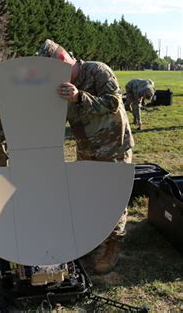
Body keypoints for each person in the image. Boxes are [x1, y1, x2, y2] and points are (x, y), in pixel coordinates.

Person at [38, 39, 134, 274]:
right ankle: (94, 240)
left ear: (62, 60)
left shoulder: (97, 70)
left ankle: (113, 245)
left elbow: (113, 103)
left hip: (113, 147)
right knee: (88, 196)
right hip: (86, 149)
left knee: (113, 197)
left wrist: (80, 96)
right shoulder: (59, 86)